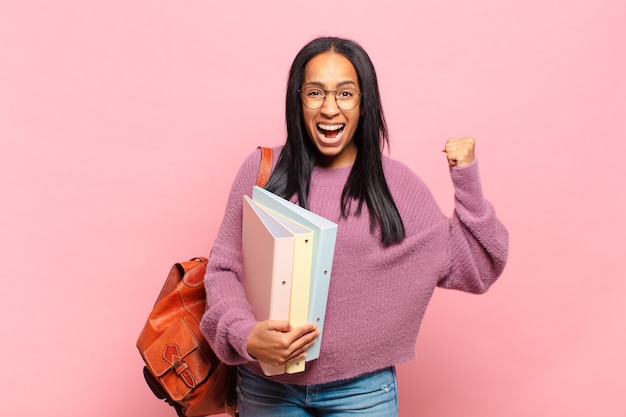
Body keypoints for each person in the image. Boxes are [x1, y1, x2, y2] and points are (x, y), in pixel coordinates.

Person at [200, 36, 509, 416]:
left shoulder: (400, 187)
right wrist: (245, 335)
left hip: (363, 393)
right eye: (315, 93)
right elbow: (223, 270)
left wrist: (467, 180)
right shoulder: (261, 171)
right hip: (266, 385)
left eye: (345, 94)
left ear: (364, 104)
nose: (330, 108)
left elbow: (477, 267)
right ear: (298, 101)